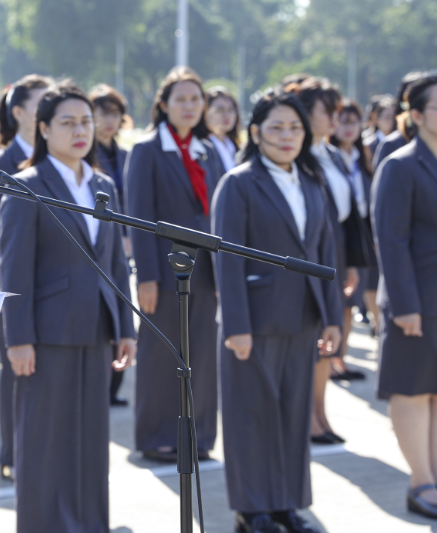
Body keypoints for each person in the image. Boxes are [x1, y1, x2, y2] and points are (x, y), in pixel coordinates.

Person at [0, 83, 136, 533]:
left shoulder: (104, 184)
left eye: (86, 122)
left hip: (95, 329)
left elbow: (115, 262)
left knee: (91, 440)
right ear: (43, 129)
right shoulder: (27, 185)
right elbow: (14, 269)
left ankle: (90, 523)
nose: (80, 131)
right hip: (46, 335)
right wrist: (17, 339)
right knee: (44, 441)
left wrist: (126, 328)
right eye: (68, 122)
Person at [213, 91, 342, 533]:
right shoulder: (239, 182)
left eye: (295, 128)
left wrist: (333, 316)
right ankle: (253, 510)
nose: (287, 136)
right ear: (255, 132)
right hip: (254, 319)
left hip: (303, 315)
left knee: (291, 413)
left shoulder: (312, 180)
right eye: (276, 127)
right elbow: (226, 258)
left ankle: (288, 504)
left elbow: (326, 251)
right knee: (251, 414)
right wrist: (236, 326)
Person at [373, 71, 437, 521]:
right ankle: (421, 483)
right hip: (418, 302)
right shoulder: (400, 165)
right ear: (415, 115)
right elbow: (389, 241)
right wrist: (405, 305)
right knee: (415, 391)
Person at [125, 66, 223, 463]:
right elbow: (140, 215)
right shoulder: (147, 149)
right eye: (180, 99)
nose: (189, 106)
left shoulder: (209, 149)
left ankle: (198, 436)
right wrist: (146, 276)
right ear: (163, 105)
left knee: (202, 353)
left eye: (196, 99)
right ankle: (156, 435)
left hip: (206, 272)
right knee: (161, 355)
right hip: (164, 272)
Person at [286, 77, 366, 445]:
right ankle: (308, 417)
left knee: (327, 341)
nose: (334, 119)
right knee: (313, 339)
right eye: (326, 111)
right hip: (310, 260)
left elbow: (347, 216)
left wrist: (351, 261)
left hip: (335, 255)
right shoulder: (297, 156)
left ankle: (320, 413)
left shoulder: (331, 153)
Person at [0, 74, 52, 480]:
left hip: (55, 289)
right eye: (43, 103)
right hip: (15, 288)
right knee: (16, 374)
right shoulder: (1, 165)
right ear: (20, 112)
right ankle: (13, 451)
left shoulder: (59, 159)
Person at [89, 83, 132, 407]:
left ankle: (114, 385)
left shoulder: (126, 156)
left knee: (121, 308)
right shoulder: (86, 155)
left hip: (125, 243)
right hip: (96, 243)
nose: (109, 120)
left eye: (115, 114)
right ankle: (101, 384)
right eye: (102, 113)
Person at [330, 100, 380, 339]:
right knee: (339, 299)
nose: (348, 128)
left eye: (354, 122)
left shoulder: (362, 157)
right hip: (338, 230)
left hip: (361, 229)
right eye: (343, 121)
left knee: (351, 298)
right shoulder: (329, 157)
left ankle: (341, 356)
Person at [205, 86, 242, 173]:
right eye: (220, 110)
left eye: (231, 110)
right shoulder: (201, 149)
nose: (226, 115)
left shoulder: (236, 148)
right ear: (205, 113)